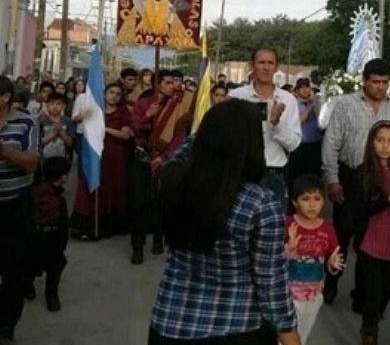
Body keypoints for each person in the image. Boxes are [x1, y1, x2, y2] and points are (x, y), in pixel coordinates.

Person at [149, 99, 301, 345]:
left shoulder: (172, 184)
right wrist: (291, 339)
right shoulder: (261, 204)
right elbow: (271, 285)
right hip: (238, 328)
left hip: (171, 324)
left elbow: (183, 153)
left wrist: (216, 127)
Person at [321, 58, 390, 304]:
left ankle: (363, 295)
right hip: (351, 178)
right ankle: (330, 284)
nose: (380, 87)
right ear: (364, 80)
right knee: (342, 236)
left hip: (385, 181)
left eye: (385, 82)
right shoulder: (345, 105)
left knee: (371, 240)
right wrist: (332, 179)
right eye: (375, 82)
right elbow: (331, 143)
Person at [352, 121, 390, 345]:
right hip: (369, 241)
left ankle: (373, 316)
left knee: (385, 294)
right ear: (371, 142)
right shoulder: (364, 172)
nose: (385, 146)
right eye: (380, 140)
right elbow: (359, 210)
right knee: (372, 293)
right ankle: (369, 332)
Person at [130, 70, 193, 264]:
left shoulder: (178, 105)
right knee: (139, 203)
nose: (171, 86)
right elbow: (134, 127)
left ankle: (158, 238)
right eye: (166, 82)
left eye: (173, 82)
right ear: (157, 84)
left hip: (164, 161)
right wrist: (147, 116)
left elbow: (179, 136)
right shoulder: (143, 103)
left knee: (160, 201)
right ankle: (137, 247)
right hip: (142, 158)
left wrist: (164, 157)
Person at [229, 48, 302, 207]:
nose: (266, 67)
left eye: (270, 63)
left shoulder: (287, 99)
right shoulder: (236, 96)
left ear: (276, 67)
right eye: (261, 62)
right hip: (241, 172)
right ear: (252, 65)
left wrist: (276, 124)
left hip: (273, 174)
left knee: (272, 227)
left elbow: (294, 144)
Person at [0, 76, 39, 341]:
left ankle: (6, 324)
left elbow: (31, 163)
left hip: (15, 207)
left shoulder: (26, 122)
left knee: (13, 270)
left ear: (5, 97)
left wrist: (3, 152)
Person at [284, 174, 344, 344]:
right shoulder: (287, 225)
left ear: (324, 201)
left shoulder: (328, 229)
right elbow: (274, 261)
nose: (312, 204)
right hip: (287, 294)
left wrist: (332, 264)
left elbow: (333, 260)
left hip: (313, 296)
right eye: (306, 199)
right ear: (295, 202)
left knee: (301, 337)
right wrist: (288, 250)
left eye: (317, 199)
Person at [71, 84, 134, 239]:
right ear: (105, 93)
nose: (114, 96)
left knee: (110, 188)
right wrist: (84, 114)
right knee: (89, 186)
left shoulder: (123, 112)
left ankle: (106, 227)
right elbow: (76, 120)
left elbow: (126, 135)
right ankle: (86, 227)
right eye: (111, 92)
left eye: (118, 94)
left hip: (114, 156)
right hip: (93, 154)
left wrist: (105, 129)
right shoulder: (95, 108)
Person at [30, 156, 71, 312]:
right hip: (48, 238)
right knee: (55, 265)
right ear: (62, 177)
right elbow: (62, 225)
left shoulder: (34, 192)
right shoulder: (57, 200)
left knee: (31, 266)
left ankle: (28, 288)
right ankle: (51, 296)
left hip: (35, 238)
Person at [287, 77, 323, 193]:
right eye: (301, 88)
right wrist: (311, 105)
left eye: (307, 87)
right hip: (300, 146)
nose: (305, 90)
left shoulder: (317, 103)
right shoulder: (294, 104)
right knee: (298, 177)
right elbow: (300, 120)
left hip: (315, 145)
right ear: (297, 91)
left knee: (314, 177)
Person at [38, 93, 75, 161]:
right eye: (51, 104)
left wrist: (61, 131)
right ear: (47, 105)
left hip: (63, 160)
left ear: (63, 106)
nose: (55, 107)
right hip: (44, 160)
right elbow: (38, 142)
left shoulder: (68, 121)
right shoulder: (41, 121)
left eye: (58, 104)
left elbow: (70, 143)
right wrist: (53, 133)